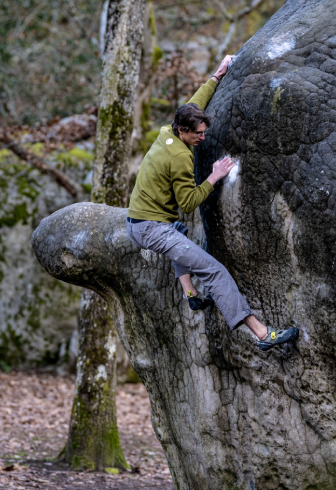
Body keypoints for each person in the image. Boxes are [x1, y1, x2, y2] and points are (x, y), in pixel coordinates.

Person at [126, 55, 299, 352]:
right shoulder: (180, 156)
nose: (202, 138)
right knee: (214, 271)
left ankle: (190, 293)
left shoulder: (168, 133)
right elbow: (189, 202)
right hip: (151, 228)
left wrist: (216, 77)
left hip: (140, 222)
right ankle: (261, 334)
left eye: (204, 132)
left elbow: (195, 103)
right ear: (183, 131)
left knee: (178, 231)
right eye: (198, 134)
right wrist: (214, 176)